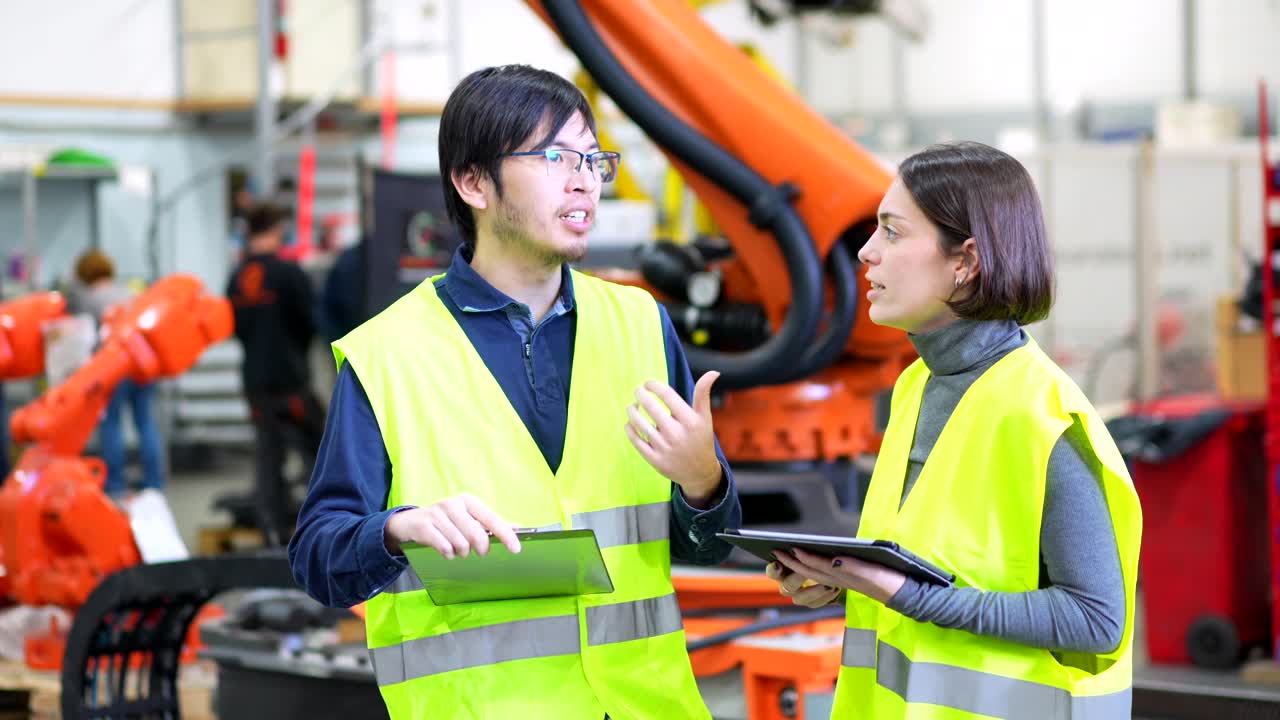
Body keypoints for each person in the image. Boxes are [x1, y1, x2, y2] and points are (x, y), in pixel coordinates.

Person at [288, 64, 741, 720]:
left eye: (593, 159)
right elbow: (317, 558)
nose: (585, 180)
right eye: (556, 157)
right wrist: (395, 530)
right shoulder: (389, 353)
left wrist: (705, 485)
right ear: (473, 182)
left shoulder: (640, 323)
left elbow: (709, 543)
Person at [766, 142, 1142, 719]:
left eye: (892, 232)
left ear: (965, 261)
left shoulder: (1040, 414)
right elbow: (927, 565)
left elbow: (1095, 620)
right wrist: (840, 580)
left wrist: (910, 597)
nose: (867, 251)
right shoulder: (916, 386)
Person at [226, 203, 325, 546]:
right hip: (291, 379)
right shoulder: (289, 273)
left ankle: (272, 530)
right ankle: (321, 528)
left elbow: (236, 327)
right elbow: (309, 322)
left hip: (255, 382)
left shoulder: (236, 278)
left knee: (268, 455)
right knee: (319, 451)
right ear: (277, 229)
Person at [69, 250, 166, 497]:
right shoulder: (130, 293)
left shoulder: (88, 299)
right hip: (142, 364)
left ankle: (115, 483)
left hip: (112, 368)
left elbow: (82, 339)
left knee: (111, 423)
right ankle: (154, 481)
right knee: (145, 422)